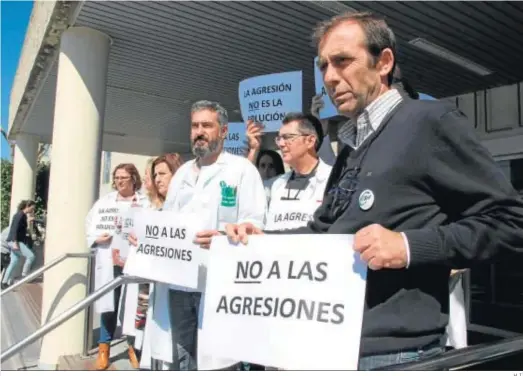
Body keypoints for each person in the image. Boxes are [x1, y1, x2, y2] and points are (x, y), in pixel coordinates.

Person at [225, 11, 523, 370]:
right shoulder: (350, 147)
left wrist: (409, 246)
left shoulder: (430, 122)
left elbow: (510, 222)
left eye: (343, 61)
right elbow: (323, 232)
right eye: (323, 66)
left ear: (383, 62)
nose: (331, 77)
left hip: (394, 356)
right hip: (329, 341)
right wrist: (260, 239)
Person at [151, 100, 266, 371]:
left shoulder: (242, 171)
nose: (199, 132)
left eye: (206, 125)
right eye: (194, 126)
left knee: (220, 362)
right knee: (184, 357)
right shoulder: (180, 175)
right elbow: (169, 222)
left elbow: (254, 225)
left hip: (220, 284)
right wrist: (149, 240)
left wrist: (222, 239)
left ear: (224, 132)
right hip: (181, 285)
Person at [85, 163, 149, 370]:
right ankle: (104, 348)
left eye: (124, 177)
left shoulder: (145, 202)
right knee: (109, 306)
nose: (119, 181)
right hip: (111, 261)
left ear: (133, 179)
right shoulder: (105, 203)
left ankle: (133, 347)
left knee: (135, 307)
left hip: (134, 261)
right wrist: (96, 238)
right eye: (117, 177)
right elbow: (90, 224)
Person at [2, 200, 37, 288]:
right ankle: (24, 275)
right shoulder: (20, 215)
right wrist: (14, 242)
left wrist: (28, 221)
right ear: (27, 206)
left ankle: (4, 282)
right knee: (31, 256)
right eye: (32, 208)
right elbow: (14, 229)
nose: (33, 210)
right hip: (15, 241)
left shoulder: (22, 215)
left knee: (14, 261)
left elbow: (22, 228)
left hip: (15, 241)